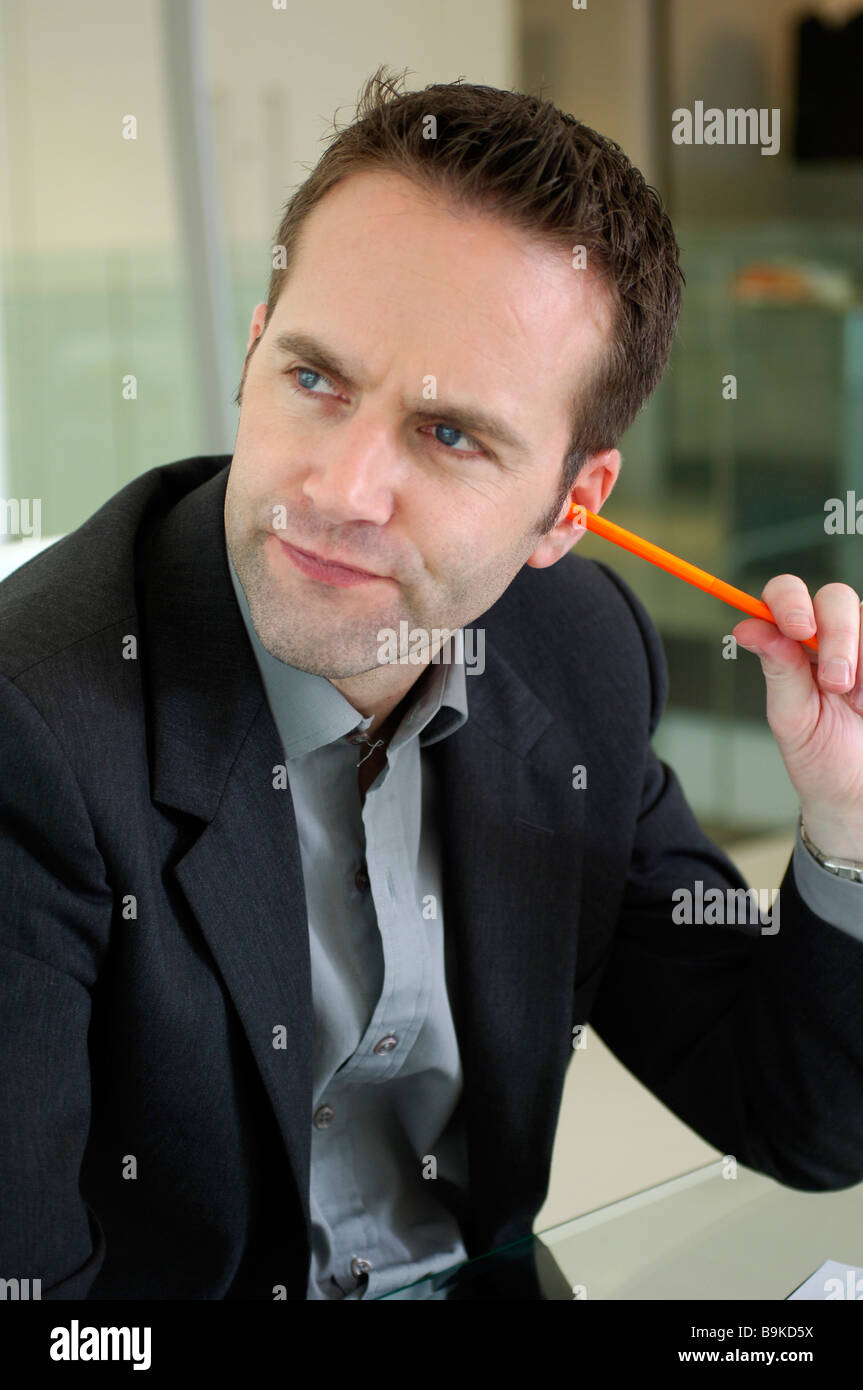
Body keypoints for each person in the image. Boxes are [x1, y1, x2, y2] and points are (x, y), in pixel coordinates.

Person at [2, 67, 862, 1303]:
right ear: (253, 352)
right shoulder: (32, 731)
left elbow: (797, 1117)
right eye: (314, 379)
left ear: (573, 507)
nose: (341, 490)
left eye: (449, 434)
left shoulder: (576, 650)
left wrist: (840, 827)